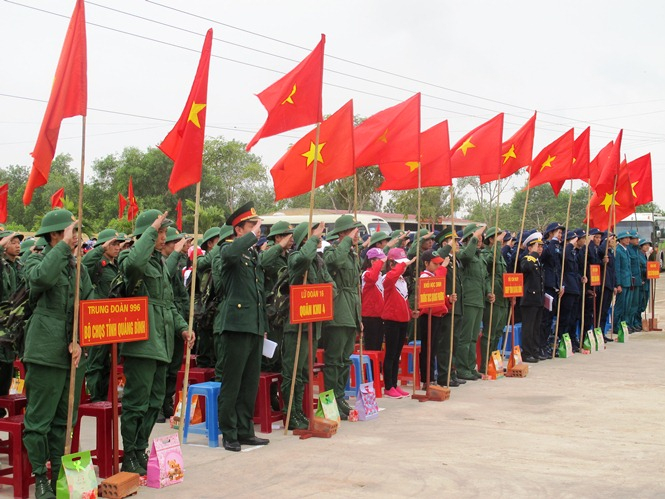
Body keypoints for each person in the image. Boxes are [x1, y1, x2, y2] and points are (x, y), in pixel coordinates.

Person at [22, 210, 93, 498]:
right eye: (71, 231)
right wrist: (63, 249)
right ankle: (40, 477)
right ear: (55, 235)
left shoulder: (76, 266)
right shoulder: (37, 259)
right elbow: (40, 279)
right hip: (44, 352)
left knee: (65, 421)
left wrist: (79, 342)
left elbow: (86, 304)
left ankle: (58, 477)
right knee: (39, 421)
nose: (77, 237)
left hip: (71, 355)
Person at [119, 210, 194, 474]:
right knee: (136, 403)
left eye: (163, 232)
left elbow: (169, 304)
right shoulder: (132, 256)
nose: (164, 237)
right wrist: (151, 230)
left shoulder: (160, 264)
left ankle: (140, 448)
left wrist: (183, 328)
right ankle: (128, 453)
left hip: (162, 343)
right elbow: (133, 266)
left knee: (153, 403)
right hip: (142, 343)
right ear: (147, 234)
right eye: (161, 232)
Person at [214, 201, 269, 452]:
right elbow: (230, 255)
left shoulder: (252, 253)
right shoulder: (229, 250)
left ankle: (245, 430)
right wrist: (251, 237)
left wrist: (262, 325)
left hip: (254, 325)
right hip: (235, 325)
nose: (257, 229)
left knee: (249, 383)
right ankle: (230, 432)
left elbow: (257, 293)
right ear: (238, 230)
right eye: (251, 225)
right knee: (232, 382)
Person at [281, 222, 333, 429]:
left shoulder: (318, 262)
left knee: (304, 371)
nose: (320, 237)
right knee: (292, 371)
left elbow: (330, 285)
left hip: (314, 323)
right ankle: (290, 414)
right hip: (297, 325)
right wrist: (311, 239)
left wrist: (325, 297)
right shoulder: (296, 258)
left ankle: (300, 412)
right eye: (314, 234)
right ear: (305, 238)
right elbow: (302, 258)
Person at [321, 215, 363, 417]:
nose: (357, 235)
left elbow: (357, 288)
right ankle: (330, 403)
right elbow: (333, 261)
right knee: (333, 360)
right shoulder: (331, 250)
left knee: (345, 360)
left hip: (351, 311)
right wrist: (346, 241)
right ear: (343, 233)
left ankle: (340, 397)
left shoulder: (353, 255)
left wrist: (359, 318)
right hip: (338, 312)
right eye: (353, 231)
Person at [81, 229, 126, 402]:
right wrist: (100, 249)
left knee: (110, 362)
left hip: (114, 319)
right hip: (98, 319)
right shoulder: (98, 263)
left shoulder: (117, 264)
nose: (117, 247)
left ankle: (106, 396)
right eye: (113, 244)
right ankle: (94, 396)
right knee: (96, 361)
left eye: (117, 244)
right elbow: (84, 263)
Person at [259, 221, 294, 410]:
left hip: (286, 313)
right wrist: (279, 246)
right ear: (278, 238)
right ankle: (268, 398)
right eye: (287, 236)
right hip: (271, 314)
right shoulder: (270, 254)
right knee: (269, 358)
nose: (292, 239)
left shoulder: (288, 256)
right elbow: (263, 262)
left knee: (282, 357)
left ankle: (279, 398)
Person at [159, 227, 189, 423]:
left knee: (174, 365)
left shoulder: (177, 262)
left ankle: (167, 401)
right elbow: (165, 276)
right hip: (164, 320)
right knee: (164, 364)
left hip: (177, 316)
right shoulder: (162, 262)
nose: (178, 246)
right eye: (174, 243)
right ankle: (159, 405)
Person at [456, 224, 492, 380]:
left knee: (473, 337)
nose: (480, 239)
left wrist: (489, 292)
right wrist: (474, 238)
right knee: (465, 336)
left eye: (481, 237)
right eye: (476, 237)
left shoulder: (480, 256)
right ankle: (462, 367)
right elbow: (466, 256)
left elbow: (485, 278)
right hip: (469, 300)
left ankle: (471, 367)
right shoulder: (464, 253)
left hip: (479, 300)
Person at [380, 248, 417, 398]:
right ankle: (388, 386)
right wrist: (403, 265)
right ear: (391, 263)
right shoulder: (387, 278)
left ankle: (394, 384)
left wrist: (410, 312)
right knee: (390, 354)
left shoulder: (401, 280)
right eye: (400, 264)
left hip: (403, 320)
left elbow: (403, 299)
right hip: (391, 320)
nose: (404, 267)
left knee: (397, 355)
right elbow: (391, 277)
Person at [479, 227, 512, 370]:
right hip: (493, 298)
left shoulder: (500, 256)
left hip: (503, 298)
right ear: (491, 239)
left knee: (498, 332)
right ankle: (485, 365)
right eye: (499, 239)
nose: (502, 241)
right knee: (489, 333)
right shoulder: (486, 254)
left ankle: (494, 362)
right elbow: (488, 272)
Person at [0, 229, 24, 417]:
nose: (17, 245)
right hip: (1, 327)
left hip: (15, 327)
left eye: (18, 242)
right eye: (12, 241)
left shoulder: (19, 266)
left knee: (7, 373)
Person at [435, 239, 463, 387]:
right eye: (454, 242)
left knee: (454, 344)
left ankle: (452, 373)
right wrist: (448, 246)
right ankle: (444, 376)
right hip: (447, 307)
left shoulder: (454, 261)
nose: (457, 245)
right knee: (446, 344)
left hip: (457, 307)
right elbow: (439, 254)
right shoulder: (442, 260)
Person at [192, 227, 221, 369]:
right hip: (205, 315)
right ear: (210, 244)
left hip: (218, 315)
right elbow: (205, 262)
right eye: (220, 241)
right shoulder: (202, 260)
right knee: (205, 357)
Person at [418, 249, 447, 389]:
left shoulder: (433, 275)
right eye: (435, 264)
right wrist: (442, 271)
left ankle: (431, 377)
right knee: (427, 349)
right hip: (427, 316)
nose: (438, 267)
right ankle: (426, 379)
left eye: (439, 264)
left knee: (433, 348)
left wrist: (448, 300)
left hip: (436, 316)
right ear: (426, 263)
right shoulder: (425, 277)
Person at [540, 222, 564, 356]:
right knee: (545, 318)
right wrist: (552, 242)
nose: (560, 235)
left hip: (555, 285)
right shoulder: (547, 246)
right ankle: (542, 345)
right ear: (550, 233)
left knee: (551, 318)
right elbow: (543, 258)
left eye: (561, 233)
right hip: (547, 286)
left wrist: (561, 284)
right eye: (558, 232)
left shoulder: (558, 247)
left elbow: (559, 267)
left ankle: (548, 344)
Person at [520, 232, 545, 362]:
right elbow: (526, 268)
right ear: (529, 248)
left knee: (536, 327)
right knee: (528, 328)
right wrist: (533, 254)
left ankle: (535, 350)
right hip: (529, 299)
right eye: (537, 246)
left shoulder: (537, 261)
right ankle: (527, 352)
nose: (540, 249)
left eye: (541, 246)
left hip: (537, 299)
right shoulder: (526, 259)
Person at [361, 247, 386, 351]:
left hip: (380, 315)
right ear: (372, 261)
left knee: (378, 345)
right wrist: (379, 264)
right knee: (371, 346)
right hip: (370, 316)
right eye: (380, 261)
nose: (383, 263)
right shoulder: (366, 274)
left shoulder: (380, 276)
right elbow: (372, 278)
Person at [597, 232, 616, 341]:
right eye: (611, 239)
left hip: (609, 284)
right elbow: (601, 249)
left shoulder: (610, 252)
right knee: (601, 310)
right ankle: (598, 333)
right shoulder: (602, 251)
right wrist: (605, 240)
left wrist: (615, 284)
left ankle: (602, 333)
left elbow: (613, 270)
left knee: (605, 311)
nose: (613, 241)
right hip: (603, 284)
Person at [614, 232, 632, 334]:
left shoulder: (626, 250)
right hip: (622, 282)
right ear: (620, 240)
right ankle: (616, 325)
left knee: (626, 306)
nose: (628, 240)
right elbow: (617, 269)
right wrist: (618, 284)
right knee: (620, 306)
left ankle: (623, 325)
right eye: (625, 238)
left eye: (628, 238)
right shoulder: (618, 251)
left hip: (627, 281)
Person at [627, 232, 642, 332]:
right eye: (635, 238)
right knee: (629, 304)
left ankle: (632, 323)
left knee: (636, 304)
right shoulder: (628, 250)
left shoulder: (636, 250)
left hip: (637, 281)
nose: (637, 240)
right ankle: (628, 323)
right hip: (631, 281)